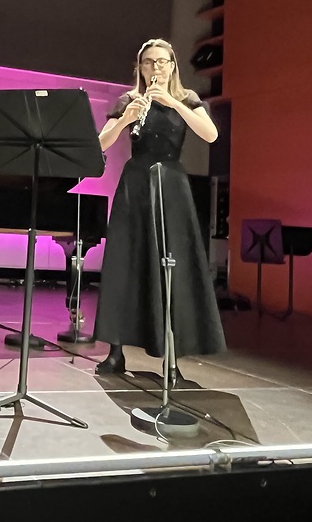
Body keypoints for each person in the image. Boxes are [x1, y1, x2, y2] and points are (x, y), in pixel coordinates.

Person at [93, 39, 225, 376]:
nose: (156, 68)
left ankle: (171, 357)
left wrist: (172, 103)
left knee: (172, 268)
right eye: (149, 62)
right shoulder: (129, 100)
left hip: (171, 185)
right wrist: (124, 119)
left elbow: (210, 134)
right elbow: (101, 143)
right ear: (140, 67)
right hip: (136, 184)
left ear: (172, 66)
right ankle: (115, 352)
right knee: (125, 263)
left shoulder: (187, 98)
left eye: (162, 62)